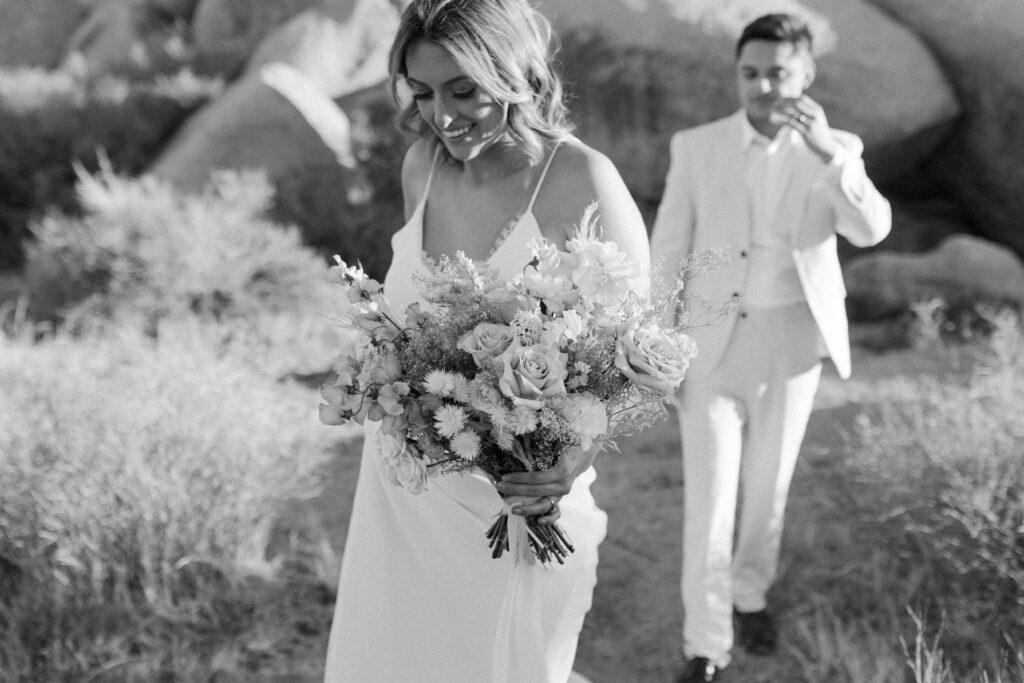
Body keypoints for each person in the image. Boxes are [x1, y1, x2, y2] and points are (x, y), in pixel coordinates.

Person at [323, 1, 650, 681]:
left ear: (514, 72)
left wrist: (566, 462)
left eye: (464, 90)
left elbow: (636, 355)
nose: (442, 116)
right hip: (402, 497)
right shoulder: (423, 166)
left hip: (520, 501)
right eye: (424, 92)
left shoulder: (580, 179)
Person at [649, 13, 891, 682]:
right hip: (712, 345)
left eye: (777, 73)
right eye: (749, 73)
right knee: (712, 497)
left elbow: (871, 229)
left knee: (767, 489)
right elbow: (669, 247)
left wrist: (832, 158)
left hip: (794, 342)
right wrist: (659, 340)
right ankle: (706, 644)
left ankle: (751, 593)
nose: (761, 86)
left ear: (806, 75)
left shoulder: (839, 147)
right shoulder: (695, 147)